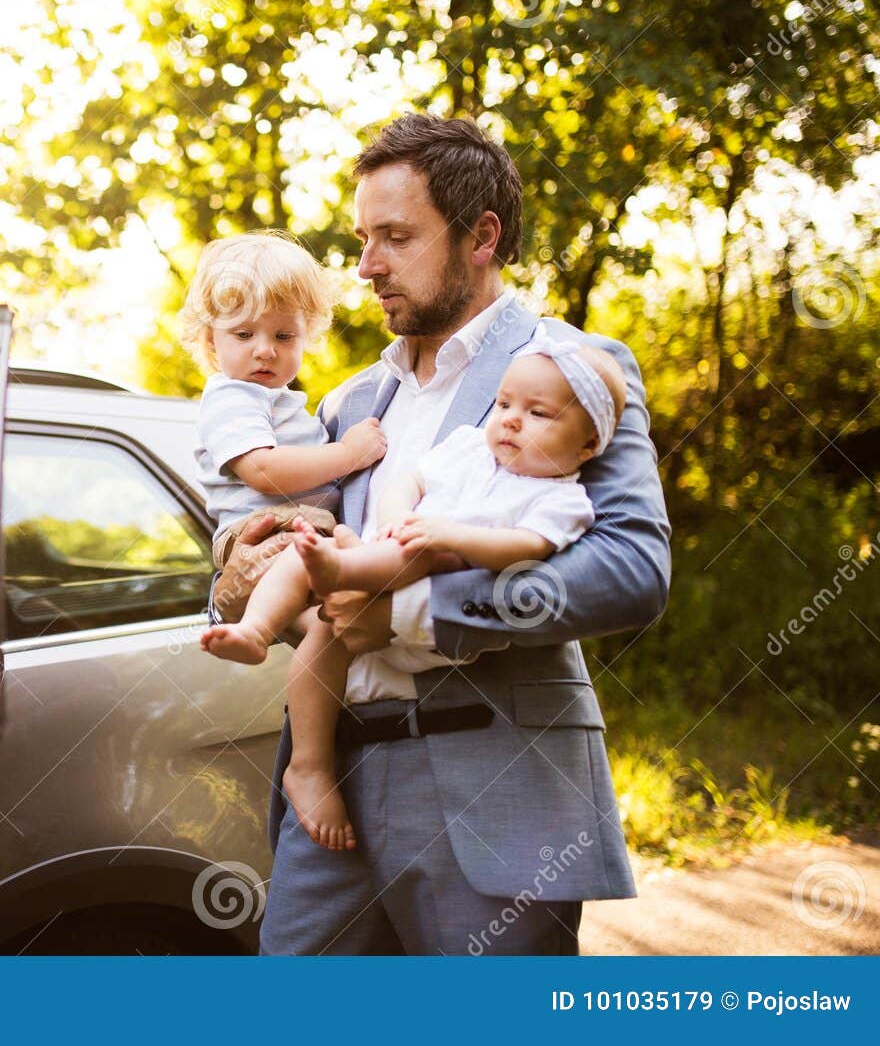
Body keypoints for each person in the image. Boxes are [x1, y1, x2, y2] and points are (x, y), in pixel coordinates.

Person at [211, 113, 671, 955]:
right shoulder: (349, 404)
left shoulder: (571, 369)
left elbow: (632, 569)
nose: (366, 265)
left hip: (493, 789)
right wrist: (239, 567)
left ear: (480, 236)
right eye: (362, 238)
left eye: (395, 237)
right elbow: (289, 542)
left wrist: (414, 616)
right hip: (332, 788)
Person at [205, 330, 627, 853]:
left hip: (473, 751)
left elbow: (601, 567)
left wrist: (430, 557)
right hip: (350, 722)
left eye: (538, 414)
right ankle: (288, 712)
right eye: (502, 404)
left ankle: (339, 570)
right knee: (308, 556)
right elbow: (403, 483)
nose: (512, 419)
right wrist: (229, 594)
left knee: (419, 555)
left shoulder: (563, 488)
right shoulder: (363, 406)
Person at [182, 232, 388, 852]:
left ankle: (310, 764)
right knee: (309, 562)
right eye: (243, 335)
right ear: (209, 338)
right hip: (264, 532)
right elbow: (265, 471)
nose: (264, 351)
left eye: (284, 335)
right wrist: (347, 455)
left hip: (294, 534)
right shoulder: (230, 397)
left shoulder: (281, 399)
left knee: (329, 633)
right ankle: (253, 631)